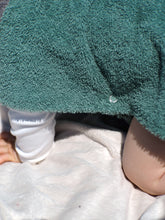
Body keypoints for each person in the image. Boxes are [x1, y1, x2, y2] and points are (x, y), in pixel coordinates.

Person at [0, 0, 164, 196]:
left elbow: (33, 135)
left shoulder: (17, 47)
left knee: (145, 173)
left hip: (157, 59)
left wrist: (22, 151)